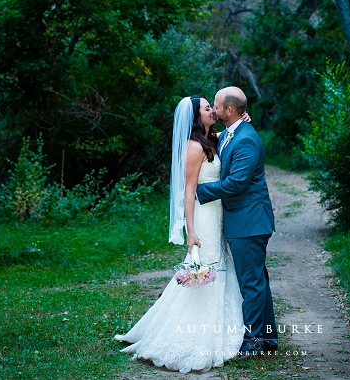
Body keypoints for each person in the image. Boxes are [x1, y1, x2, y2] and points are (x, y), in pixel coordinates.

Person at [115, 95, 245, 372]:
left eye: (213, 106)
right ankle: (192, 335)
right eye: (207, 108)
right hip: (203, 216)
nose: (212, 110)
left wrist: (242, 120)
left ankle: (219, 328)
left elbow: (229, 133)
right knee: (205, 269)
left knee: (215, 266)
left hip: (217, 214)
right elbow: (188, 192)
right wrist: (191, 232)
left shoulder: (212, 139)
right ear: (197, 117)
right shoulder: (195, 147)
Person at [197, 86, 277, 356]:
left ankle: (254, 343)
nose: (214, 110)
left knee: (251, 283)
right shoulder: (233, 132)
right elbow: (215, 139)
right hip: (245, 220)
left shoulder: (246, 139)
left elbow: (236, 183)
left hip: (249, 221)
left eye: (217, 106)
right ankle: (268, 337)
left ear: (229, 110)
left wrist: (200, 191)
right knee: (257, 279)